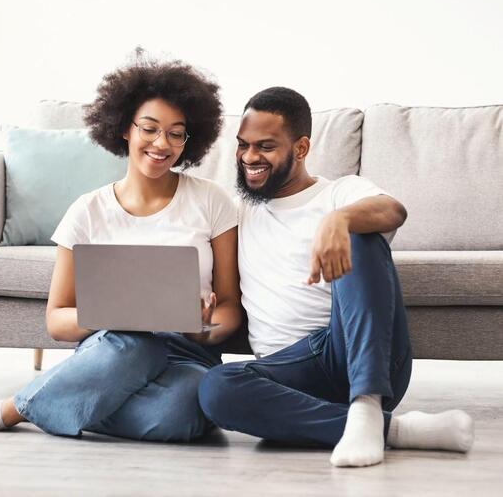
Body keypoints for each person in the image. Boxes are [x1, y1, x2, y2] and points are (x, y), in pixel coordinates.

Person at [0, 56, 243, 441]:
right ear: (126, 128)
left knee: (185, 415)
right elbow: (57, 319)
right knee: (138, 350)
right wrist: (112, 314)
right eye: (150, 129)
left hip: (187, 356)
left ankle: (62, 401)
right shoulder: (87, 211)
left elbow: (229, 308)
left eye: (177, 134)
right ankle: (8, 411)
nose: (162, 144)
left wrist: (201, 332)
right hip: (114, 351)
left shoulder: (213, 202)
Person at [197, 87, 474, 467]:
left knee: (360, 235)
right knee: (215, 388)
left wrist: (338, 219)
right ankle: (394, 430)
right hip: (287, 373)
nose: (249, 157)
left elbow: (392, 210)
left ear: (301, 147)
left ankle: (367, 402)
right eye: (242, 145)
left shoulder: (339, 192)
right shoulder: (237, 209)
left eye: (264, 146)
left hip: (353, 351)